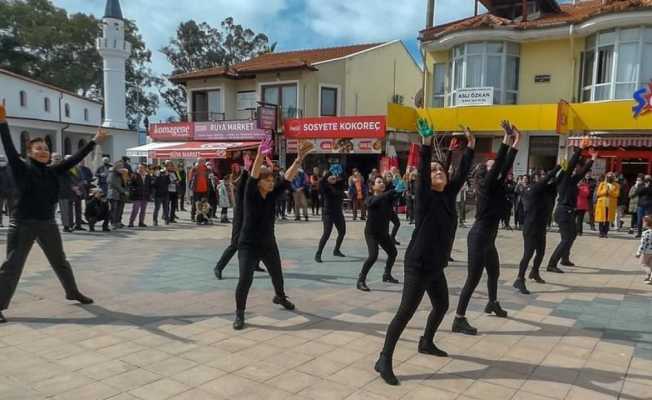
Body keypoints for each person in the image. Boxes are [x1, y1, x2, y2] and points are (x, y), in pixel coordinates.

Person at [374, 123, 475, 386]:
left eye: (441, 169)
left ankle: (426, 341)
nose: (437, 172)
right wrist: (426, 144)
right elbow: (423, 170)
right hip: (417, 264)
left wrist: (471, 147)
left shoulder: (448, 194)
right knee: (405, 312)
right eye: (433, 170)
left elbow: (462, 173)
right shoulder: (425, 196)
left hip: (435, 265)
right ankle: (384, 358)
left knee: (441, 304)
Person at [0, 108, 103, 323]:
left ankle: (72, 291)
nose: (43, 151)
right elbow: (9, 148)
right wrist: (2, 123)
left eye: (46, 148)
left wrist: (94, 141)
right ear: (29, 152)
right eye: (38, 148)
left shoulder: (52, 171)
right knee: (12, 266)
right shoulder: (21, 168)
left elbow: (75, 159)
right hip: (22, 224)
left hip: (47, 223)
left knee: (60, 261)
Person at [232, 139, 314, 330]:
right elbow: (253, 174)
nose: (271, 183)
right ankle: (240, 313)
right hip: (248, 245)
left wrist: (299, 159)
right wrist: (260, 154)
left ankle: (280, 296)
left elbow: (287, 177)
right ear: (259, 182)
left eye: (271, 180)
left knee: (277, 275)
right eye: (267, 180)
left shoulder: (272, 194)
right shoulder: (250, 193)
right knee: (245, 279)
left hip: (268, 244)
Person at [453, 121, 520, 336]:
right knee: (473, 279)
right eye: (491, 165)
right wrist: (505, 138)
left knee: (494, 272)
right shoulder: (486, 185)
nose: (496, 166)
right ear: (485, 172)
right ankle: (458, 318)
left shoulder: (497, 183)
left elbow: (506, 163)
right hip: (479, 237)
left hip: (488, 237)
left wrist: (516, 139)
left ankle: (492, 302)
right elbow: (501, 161)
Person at [546, 142, 596, 272]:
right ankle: (552, 264)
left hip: (568, 212)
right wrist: (579, 149)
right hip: (563, 212)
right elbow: (572, 164)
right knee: (567, 238)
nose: (574, 170)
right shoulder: (564, 180)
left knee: (571, 235)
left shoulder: (571, 181)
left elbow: (582, 171)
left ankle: (564, 258)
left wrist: (593, 159)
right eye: (571, 169)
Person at [514, 166, 560, 295]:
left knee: (541, 252)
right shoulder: (531, 189)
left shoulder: (544, 190)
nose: (543, 177)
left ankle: (534, 272)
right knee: (528, 254)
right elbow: (547, 179)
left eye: (543, 175)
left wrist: (568, 165)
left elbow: (558, 180)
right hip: (530, 227)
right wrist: (558, 167)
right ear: (535, 178)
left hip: (540, 226)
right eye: (540, 175)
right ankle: (519, 279)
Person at [356, 176, 402, 292]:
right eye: (379, 182)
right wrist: (389, 193)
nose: (382, 183)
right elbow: (372, 203)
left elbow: (396, 221)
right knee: (373, 256)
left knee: (393, 252)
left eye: (383, 182)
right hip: (371, 233)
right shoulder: (370, 198)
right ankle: (361, 280)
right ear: (372, 187)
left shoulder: (387, 200)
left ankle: (386, 275)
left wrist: (400, 188)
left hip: (383, 233)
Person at [315, 167, 347, 263]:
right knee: (327, 233)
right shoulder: (325, 185)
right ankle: (318, 253)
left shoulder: (339, 184)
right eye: (331, 177)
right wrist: (326, 179)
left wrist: (337, 178)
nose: (334, 178)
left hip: (338, 212)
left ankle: (336, 250)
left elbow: (343, 180)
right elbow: (320, 184)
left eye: (336, 177)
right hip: (328, 212)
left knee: (342, 232)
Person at [595, 172, 620, 238]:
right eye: (608, 176)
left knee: (607, 219)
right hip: (602, 204)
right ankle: (601, 233)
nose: (610, 178)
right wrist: (605, 191)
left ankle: (605, 233)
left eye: (611, 177)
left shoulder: (617, 185)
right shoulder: (602, 184)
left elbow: (617, 194)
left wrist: (609, 191)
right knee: (601, 219)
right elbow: (598, 193)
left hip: (610, 204)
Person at [128, 163, 151, 228]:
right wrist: (134, 190)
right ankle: (131, 222)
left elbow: (149, 186)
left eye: (142, 167)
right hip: (137, 195)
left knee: (143, 210)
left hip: (145, 195)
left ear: (145, 168)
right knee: (135, 210)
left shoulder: (147, 176)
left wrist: (149, 193)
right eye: (139, 167)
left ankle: (141, 222)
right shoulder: (135, 175)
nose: (140, 169)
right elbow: (130, 185)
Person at [108, 161, 128, 230]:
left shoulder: (121, 174)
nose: (121, 168)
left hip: (120, 195)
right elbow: (114, 184)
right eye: (119, 166)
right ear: (115, 166)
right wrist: (123, 191)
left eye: (122, 166)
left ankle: (118, 222)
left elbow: (124, 183)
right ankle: (113, 223)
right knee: (114, 209)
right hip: (113, 194)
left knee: (120, 209)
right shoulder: (112, 173)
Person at [0, 155, 17, 227]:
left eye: (2, 160)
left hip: (10, 191)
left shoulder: (10, 167)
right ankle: (0, 222)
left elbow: (13, 179)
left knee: (12, 207)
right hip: (0, 191)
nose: (2, 161)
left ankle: (12, 221)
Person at [636, 215, 652, 284]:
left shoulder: (645, 233)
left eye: (644, 222)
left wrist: (638, 253)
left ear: (647, 223)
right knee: (650, 264)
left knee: (643, 264)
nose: (643, 223)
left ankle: (650, 274)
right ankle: (649, 278)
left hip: (647, 252)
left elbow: (642, 244)